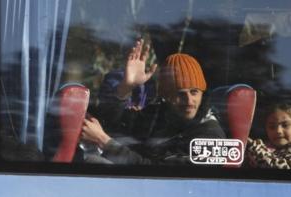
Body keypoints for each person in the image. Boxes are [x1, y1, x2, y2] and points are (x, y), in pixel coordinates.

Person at [81, 39, 226, 165]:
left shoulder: (210, 137)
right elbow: (114, 123)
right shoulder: (162, 114)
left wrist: (104, 141)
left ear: (202, 93)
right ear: (166, 96)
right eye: (180, 94)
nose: (189, 101)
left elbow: (156, 171)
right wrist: (126, 87)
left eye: (194, 92)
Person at [246, 103, 291, 169]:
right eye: (272, 127)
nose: (278, 131)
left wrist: (255, 147)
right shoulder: (262, 145)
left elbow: (286, 169)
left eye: (285, 125)